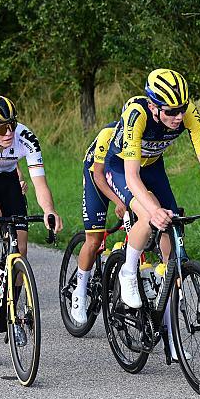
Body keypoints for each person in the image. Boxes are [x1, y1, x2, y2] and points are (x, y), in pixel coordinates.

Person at [104, 68, 200, 361]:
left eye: (182, 109)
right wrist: (152, 210)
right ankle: (128, 270)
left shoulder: (188, 112)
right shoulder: (137, 115)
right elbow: (132, 176)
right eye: (171, 111)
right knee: (150, 219)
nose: (179, 117)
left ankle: (170, 327)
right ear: (153, 106)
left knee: (174, 238)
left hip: (154, 167)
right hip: (122, 168)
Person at [0, 95, 63, 313]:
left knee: (21, 247)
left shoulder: (26, 137)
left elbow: (39, 183)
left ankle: (12, 308)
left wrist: (49, 210)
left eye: (12, 125)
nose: (8, 132)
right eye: (0, 129)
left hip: (9, 181)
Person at [69, 101, 138, 324]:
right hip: (95, 174)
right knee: (95, 238)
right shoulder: (108, 133)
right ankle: (79, 291)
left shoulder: (142, 137)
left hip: (120, 174)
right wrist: (118, 201)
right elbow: (99, 176)